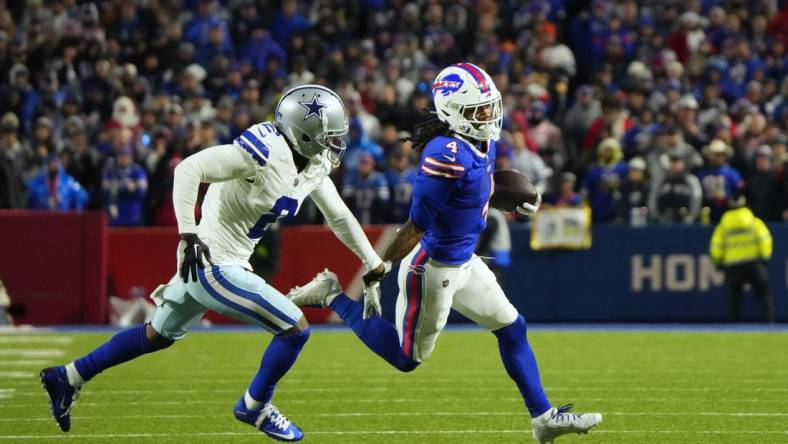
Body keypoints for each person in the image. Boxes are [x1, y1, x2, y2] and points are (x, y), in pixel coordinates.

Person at [40, 85, 387, 442]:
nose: (334, 144)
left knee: (155, 336)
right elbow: (189, 169)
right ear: (304, 133)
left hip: (224, 261)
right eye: (329, 136)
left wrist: (373, 265)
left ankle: (67, 376)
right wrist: (186, 233)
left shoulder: (312, 163)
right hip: (212, 261)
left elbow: (340, 217)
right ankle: (255, 405)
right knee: (295, 328)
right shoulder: (264, 152)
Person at [290, 63, 601, 444]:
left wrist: (505, 198)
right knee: (407, 360)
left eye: (490, 107)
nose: (489, 116)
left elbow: (474, 189)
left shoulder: (478, 142)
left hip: (465, 260)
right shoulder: (446, 154)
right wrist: (379, 265)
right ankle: (332, 293)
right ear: (454, 112)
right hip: (433, 269)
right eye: (479, 110)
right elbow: (416, 225)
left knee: (513, 328)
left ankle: (543, 418)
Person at [710, 197, 774, 323]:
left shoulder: (724, 224)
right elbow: (765, 240)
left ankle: (734, 326)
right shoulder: (753, 221)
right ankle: (769, 323)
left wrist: (718, 262)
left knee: (735, 298)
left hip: (732, 265)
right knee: (763, 293)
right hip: (753, 263)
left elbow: (716, 245)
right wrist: (765, 257)